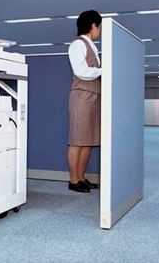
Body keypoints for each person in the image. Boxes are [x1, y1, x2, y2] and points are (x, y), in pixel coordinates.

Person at [67, 10, 102, 193]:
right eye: (99, 27)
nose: (100, 31)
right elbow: (81, 71)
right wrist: (102, 70)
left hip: (94, 96)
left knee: (88, 140)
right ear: (93, 26)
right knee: (77, 140)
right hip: (81, 96)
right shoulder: (77, 45)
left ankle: (81, 177)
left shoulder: (93, 47)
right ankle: (73, 180)